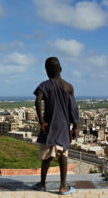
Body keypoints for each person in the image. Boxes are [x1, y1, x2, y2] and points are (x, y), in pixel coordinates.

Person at [32, 57, 79, 195]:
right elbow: (74, 109)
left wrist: (42, 122)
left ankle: (42, 184)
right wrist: (75, 127)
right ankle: (63, 186)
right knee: (63, 154)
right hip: (64, 125)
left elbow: (37, 101)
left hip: (49, 124)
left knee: (47, 156)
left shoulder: (45, 85)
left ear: (46, 71)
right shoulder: (69, 87)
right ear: (60, 69)